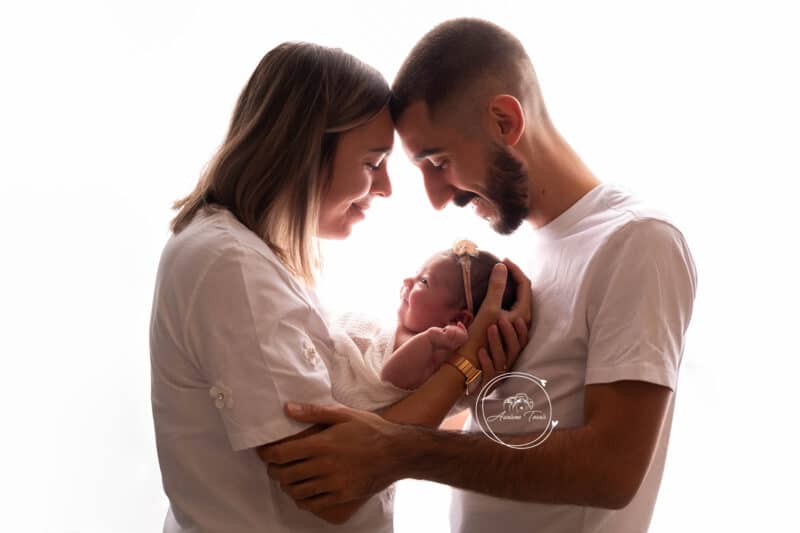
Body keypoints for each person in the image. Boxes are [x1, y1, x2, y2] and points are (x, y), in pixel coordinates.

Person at [262, 18, 698, 533]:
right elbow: (503, 428)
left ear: (503, 121)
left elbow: (612, 470)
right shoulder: (518, 260)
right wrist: (452, 377)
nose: (436, 197)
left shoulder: (636, 242)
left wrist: (398, 451)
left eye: (438, 161)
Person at [149, 41, 532, 533]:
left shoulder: (257, 259)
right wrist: (464, 364)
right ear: (304, 154)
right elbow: (330, 491)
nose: (386, 187)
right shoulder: (231, 266)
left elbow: (363, 425)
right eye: (373, 163)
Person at [327, 240, 518, 410]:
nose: (408, 280)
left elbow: (392, 377)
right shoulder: (399, 329)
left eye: (424, 281)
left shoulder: (435, 354)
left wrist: (430, 341)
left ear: (459, 319)